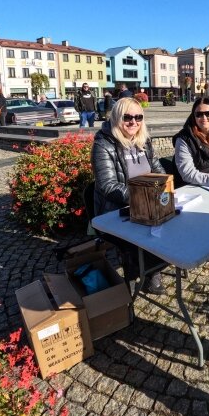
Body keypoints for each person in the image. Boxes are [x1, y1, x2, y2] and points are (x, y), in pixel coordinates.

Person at [91, 97, 167, 294]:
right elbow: (108, 186)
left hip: (148, 203)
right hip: (116, 210)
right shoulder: (103, 145)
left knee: (173, 225)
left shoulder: (144, 141)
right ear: (117, 117)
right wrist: (143, 197)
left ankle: (153, 269)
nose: (134, 122)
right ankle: (136, 271)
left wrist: (166, 188)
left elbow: (158, 170)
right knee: (140, 236)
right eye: (128, 117)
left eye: (138, 117)